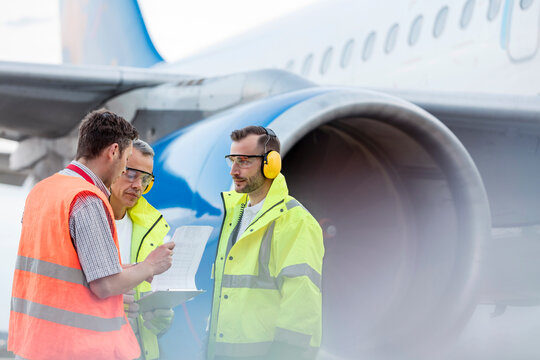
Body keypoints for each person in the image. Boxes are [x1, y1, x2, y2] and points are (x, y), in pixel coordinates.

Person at [8, 109, 175, 360]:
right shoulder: (87, 199)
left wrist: (131, 268)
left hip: (36, 342)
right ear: (113, 151)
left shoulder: (43, 190)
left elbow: (62, 266)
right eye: (126, 161)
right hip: (76, 347)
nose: (122, 171)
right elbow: (105, 285)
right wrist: (151, 266)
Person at [207, 126, 324, 360]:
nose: (233, 171)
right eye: (231, 161)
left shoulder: (295, 221)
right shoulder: (234, 215)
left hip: (267, 352)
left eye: (243, 161)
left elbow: (302, 298)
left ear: (271, 164)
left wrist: (285, 354)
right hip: (225, 350)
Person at [109, 139, 173, 360]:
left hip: (136, 350)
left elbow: (157, 293)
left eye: (146, 179)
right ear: (113, 167)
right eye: (131, 174)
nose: (138, 185)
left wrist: (161, 317)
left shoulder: (153, 230)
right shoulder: (87, 219)